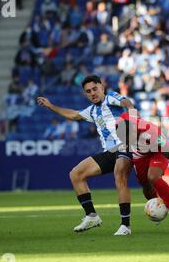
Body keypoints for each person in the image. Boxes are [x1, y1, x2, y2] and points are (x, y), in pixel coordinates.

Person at [37, 75, 135, 236]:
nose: (92, 93)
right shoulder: (92, 111)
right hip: (109, 152)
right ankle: (91, 216)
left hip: (125, 145)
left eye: (95, 89)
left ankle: (125, 226)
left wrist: (132, 116)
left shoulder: (111, 97)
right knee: (76, 174)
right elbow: (73, 115)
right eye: (88, 91)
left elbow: (127, 103)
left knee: (120, 177)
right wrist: (51, 106)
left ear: (102, 88)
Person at [115, 111, 169, 231]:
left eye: (127, 138)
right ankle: (158, 207)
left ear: (134, 132)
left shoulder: (153, 134)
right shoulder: (120, 122)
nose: (125, 141)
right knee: (146, 186)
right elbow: (129, 110)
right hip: (139, 154)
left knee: (153, 177)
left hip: (156, 152)